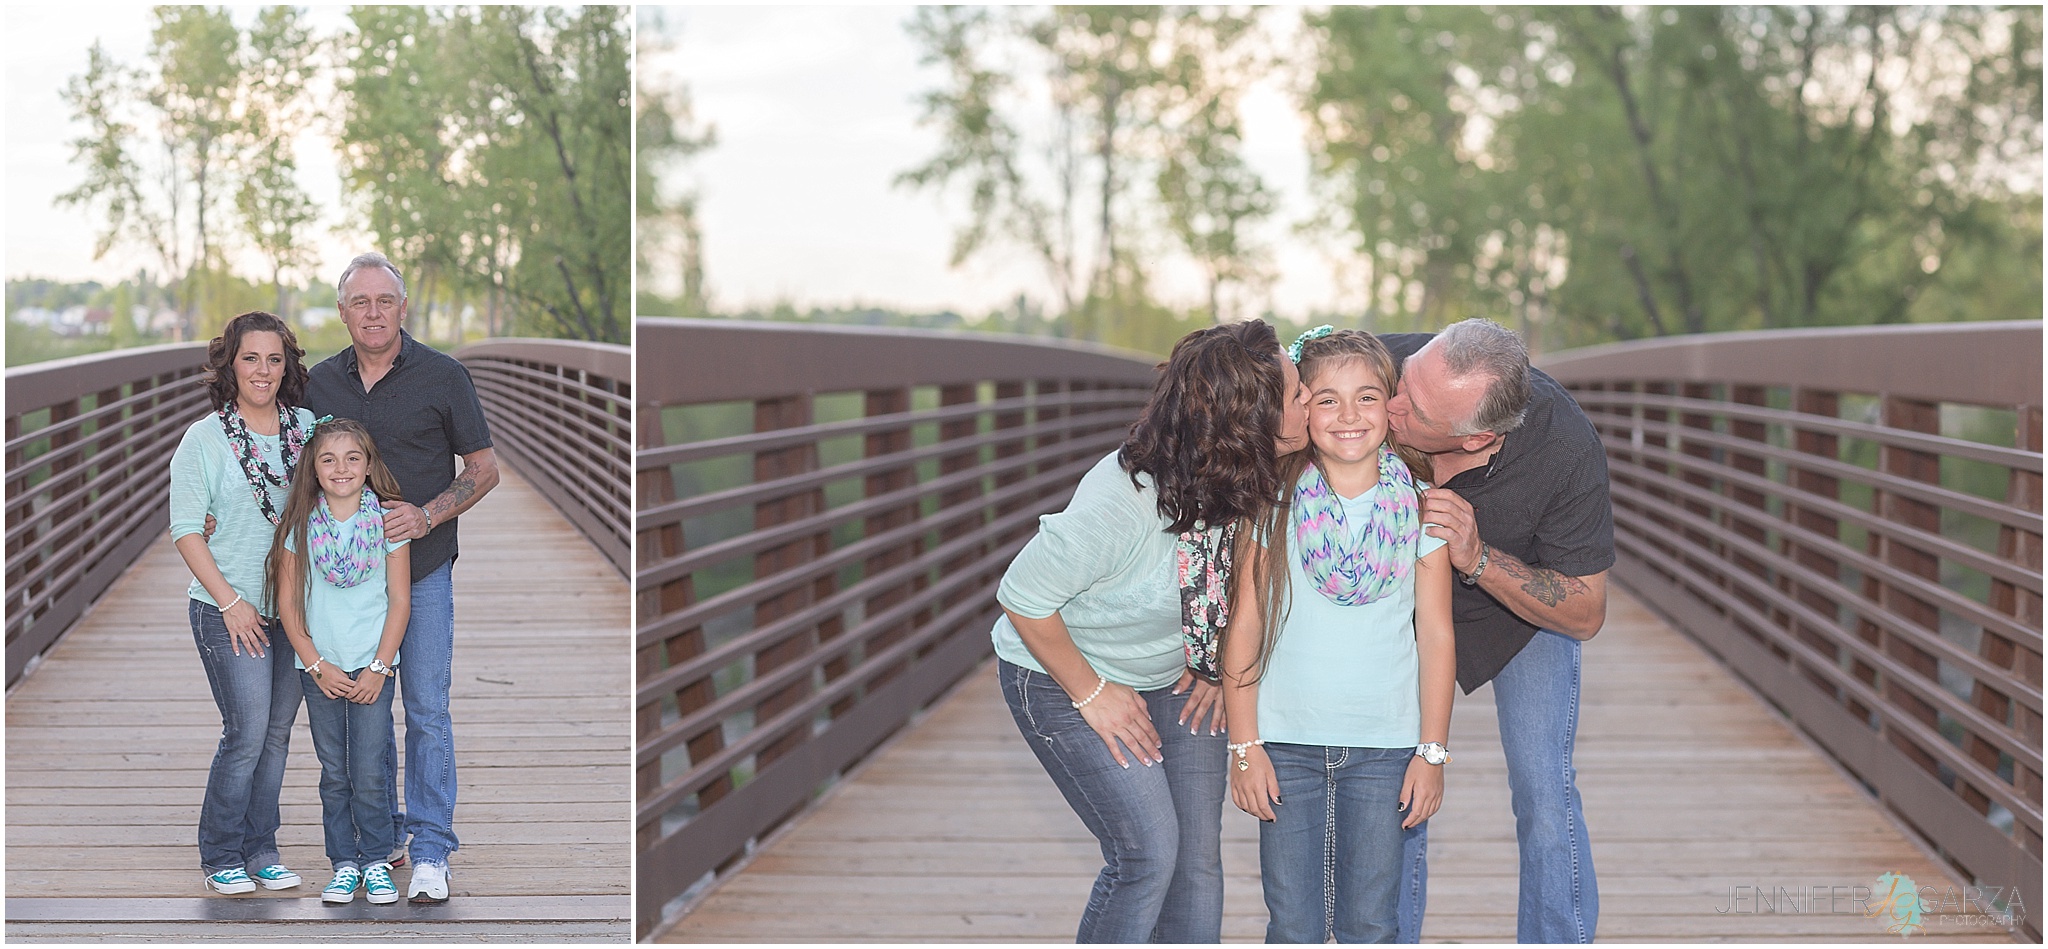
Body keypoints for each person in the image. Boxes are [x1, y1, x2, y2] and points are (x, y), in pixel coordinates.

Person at [990, 318, 1309, 943]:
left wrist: (1213, 662)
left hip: (1174, 674)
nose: (1308, 402)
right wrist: (1092, 693)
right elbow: (1021, 597)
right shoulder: (1123, 501)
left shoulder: (1244, 476)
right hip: (1060, 673)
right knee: (1147, 855)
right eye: (1298, 395)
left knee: (1196, 862)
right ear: (1250, 421)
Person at [1382, 319, 1614, 944]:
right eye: (1403, 383)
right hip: (1399, 609)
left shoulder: (1564, 449)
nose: (1390, 405)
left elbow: (1586, 611)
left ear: (1478, 434)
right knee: (1392, 785)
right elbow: (1280, 397)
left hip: (1520, 613)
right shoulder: (1388, 369)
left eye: (1416, 410)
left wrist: (1479, 556)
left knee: (1543, 789)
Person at [1222, 327, 1456, 943]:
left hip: (1384, 747)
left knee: (1372, 922)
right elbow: (1245, 621)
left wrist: (1431, 753)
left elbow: (1435, 635)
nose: (1348, 415)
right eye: (1326, 399)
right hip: (1286, 742)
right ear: (1302, 410)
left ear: (1392, 407)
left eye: (1367, 397)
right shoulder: (1271, 503)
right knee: (1292, 923)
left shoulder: (1424, 509)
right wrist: (1243, 745)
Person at [303, 252, 499, 902]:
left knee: (426, 708)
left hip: (424, 567)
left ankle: (433, 848)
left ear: (403, 307)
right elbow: (279, 453)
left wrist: (428, 513)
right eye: (360, 302)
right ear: (343, 312)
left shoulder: (443, 374)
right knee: (367, 704)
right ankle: (381, 834)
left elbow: (483, 467)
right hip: (344, 582)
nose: (373, 312)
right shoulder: (319, 384)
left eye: (384, 300)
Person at [169, 311, 315, 896]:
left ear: (287, 366)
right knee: (247, 730)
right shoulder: (203, 439)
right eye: (250, 358)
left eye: (274, 359)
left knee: (277, 733)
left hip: (292, 607)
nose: (263, 370)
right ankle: (221, 852)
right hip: (227, 607)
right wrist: (231, 602)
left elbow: (344, 485)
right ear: (231, 363)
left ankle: (263, 849)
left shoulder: (307, 428)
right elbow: (185, 529)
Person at [266, 419, 412, 905]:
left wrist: (380, 667)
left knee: (369, 768)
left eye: (353, 458)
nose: (341, 468)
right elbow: (287, 603)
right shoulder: (299, 525)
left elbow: (400, 601)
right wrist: (313, 663)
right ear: (314, 467)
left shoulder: (388, 523)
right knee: (334, 770)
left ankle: (375, 860)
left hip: (372, 666)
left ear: (369, 466)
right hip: (320, 668)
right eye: (328, 459)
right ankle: (343, 864)